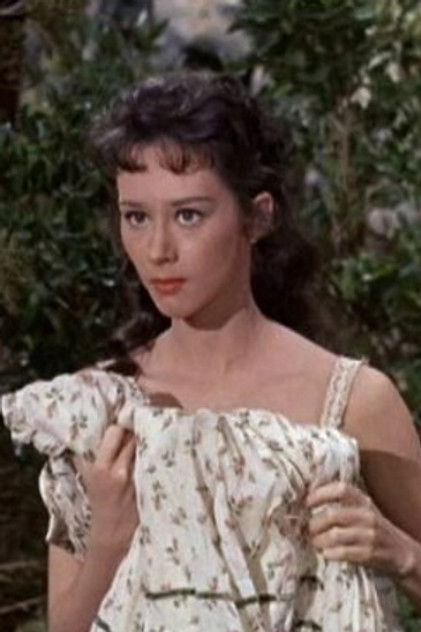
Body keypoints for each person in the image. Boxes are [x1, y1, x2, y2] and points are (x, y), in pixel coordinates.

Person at [2, 71, 421, 632]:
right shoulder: (97, 409)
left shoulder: (352, 401)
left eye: (188, 215)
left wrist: (400, 553)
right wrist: (106, 541)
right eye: (136, 217)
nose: (158, 249)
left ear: (258, 216)